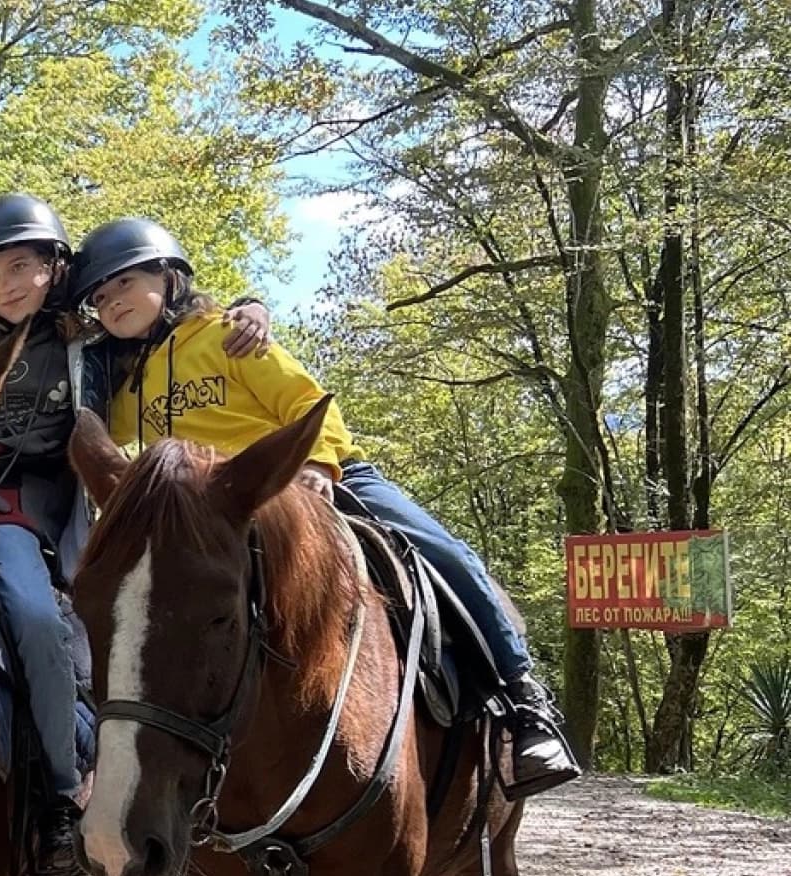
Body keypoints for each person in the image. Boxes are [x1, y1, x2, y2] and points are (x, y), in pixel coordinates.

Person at [72, 216, 580, 798]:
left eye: (125, 284)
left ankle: (523, 702)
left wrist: (318, 464)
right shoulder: (123, 389)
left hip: (315, 478)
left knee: (439, 548)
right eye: (101, 298)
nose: (113, 302)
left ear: (169, 274)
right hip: (220, 517)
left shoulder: (228, 337)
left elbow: (308, 402)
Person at [0, 194, 274, 876]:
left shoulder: (94, 344)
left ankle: (103, 789)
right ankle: (43, 793)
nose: (6, 285)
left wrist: (250, 304)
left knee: (87, 620)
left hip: (65, 506)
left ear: (58, 266)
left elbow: (166, 325)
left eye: (21, 266)